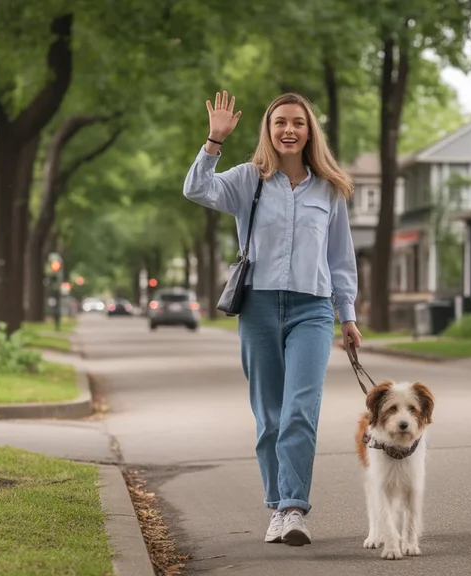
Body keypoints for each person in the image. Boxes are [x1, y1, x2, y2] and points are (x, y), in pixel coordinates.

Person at [183, 90, 362, 547]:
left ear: (309, 131)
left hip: (313, 309)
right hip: (259, 307)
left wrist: (348, 315)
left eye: (297, 122)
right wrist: (213, 142)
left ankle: (294, 508)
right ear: (268, 129)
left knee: (300, 410)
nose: (289, 130)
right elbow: (196, 189)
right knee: (269, 417)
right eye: (280, 121)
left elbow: (340, 258)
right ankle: (276, 506)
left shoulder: (330, 187)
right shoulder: (249, 180)